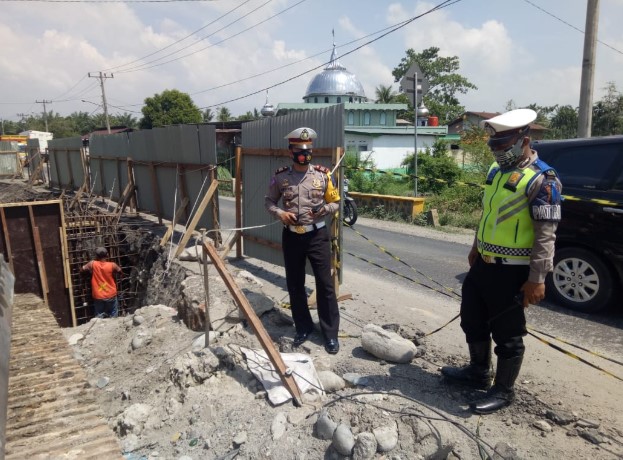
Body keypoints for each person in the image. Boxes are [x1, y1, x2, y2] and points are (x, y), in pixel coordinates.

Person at [441, 109, 562, 414]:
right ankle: (478, 372)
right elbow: (489, 213)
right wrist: (475, 246)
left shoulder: (543, 180)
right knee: (472, 318)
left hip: (513, 272)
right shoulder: (496, 172)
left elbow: (546, 236)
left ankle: (504, 390)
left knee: (508, 333)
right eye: (493, 146)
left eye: (503, 145)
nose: (498, 151)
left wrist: (537, 279)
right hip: (483, 264)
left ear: (524, 140)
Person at [265, 127, 342, 354]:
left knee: (325, 285)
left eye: (308, 150)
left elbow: (337, 202)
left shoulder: (323, 176)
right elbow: (269, 201)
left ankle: (330, 334)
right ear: (291, 151)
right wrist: (280, 214)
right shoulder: (281, 177)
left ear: (312, 151)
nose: (304, 154)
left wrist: (326, 209)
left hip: (317, 235)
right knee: (295, 284)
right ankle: (303, 327)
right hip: (292, 236)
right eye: (299, 150)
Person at [81, 246, 122, 318]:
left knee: (99, 315)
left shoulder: (92, 264)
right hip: (111, 294)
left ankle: (100, 327)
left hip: (98, 295)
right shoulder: (112, 265)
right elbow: (120, 271)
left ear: (96, 256)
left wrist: (87, 274)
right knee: (113, 313)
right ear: (107, 255)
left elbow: (82, 269)